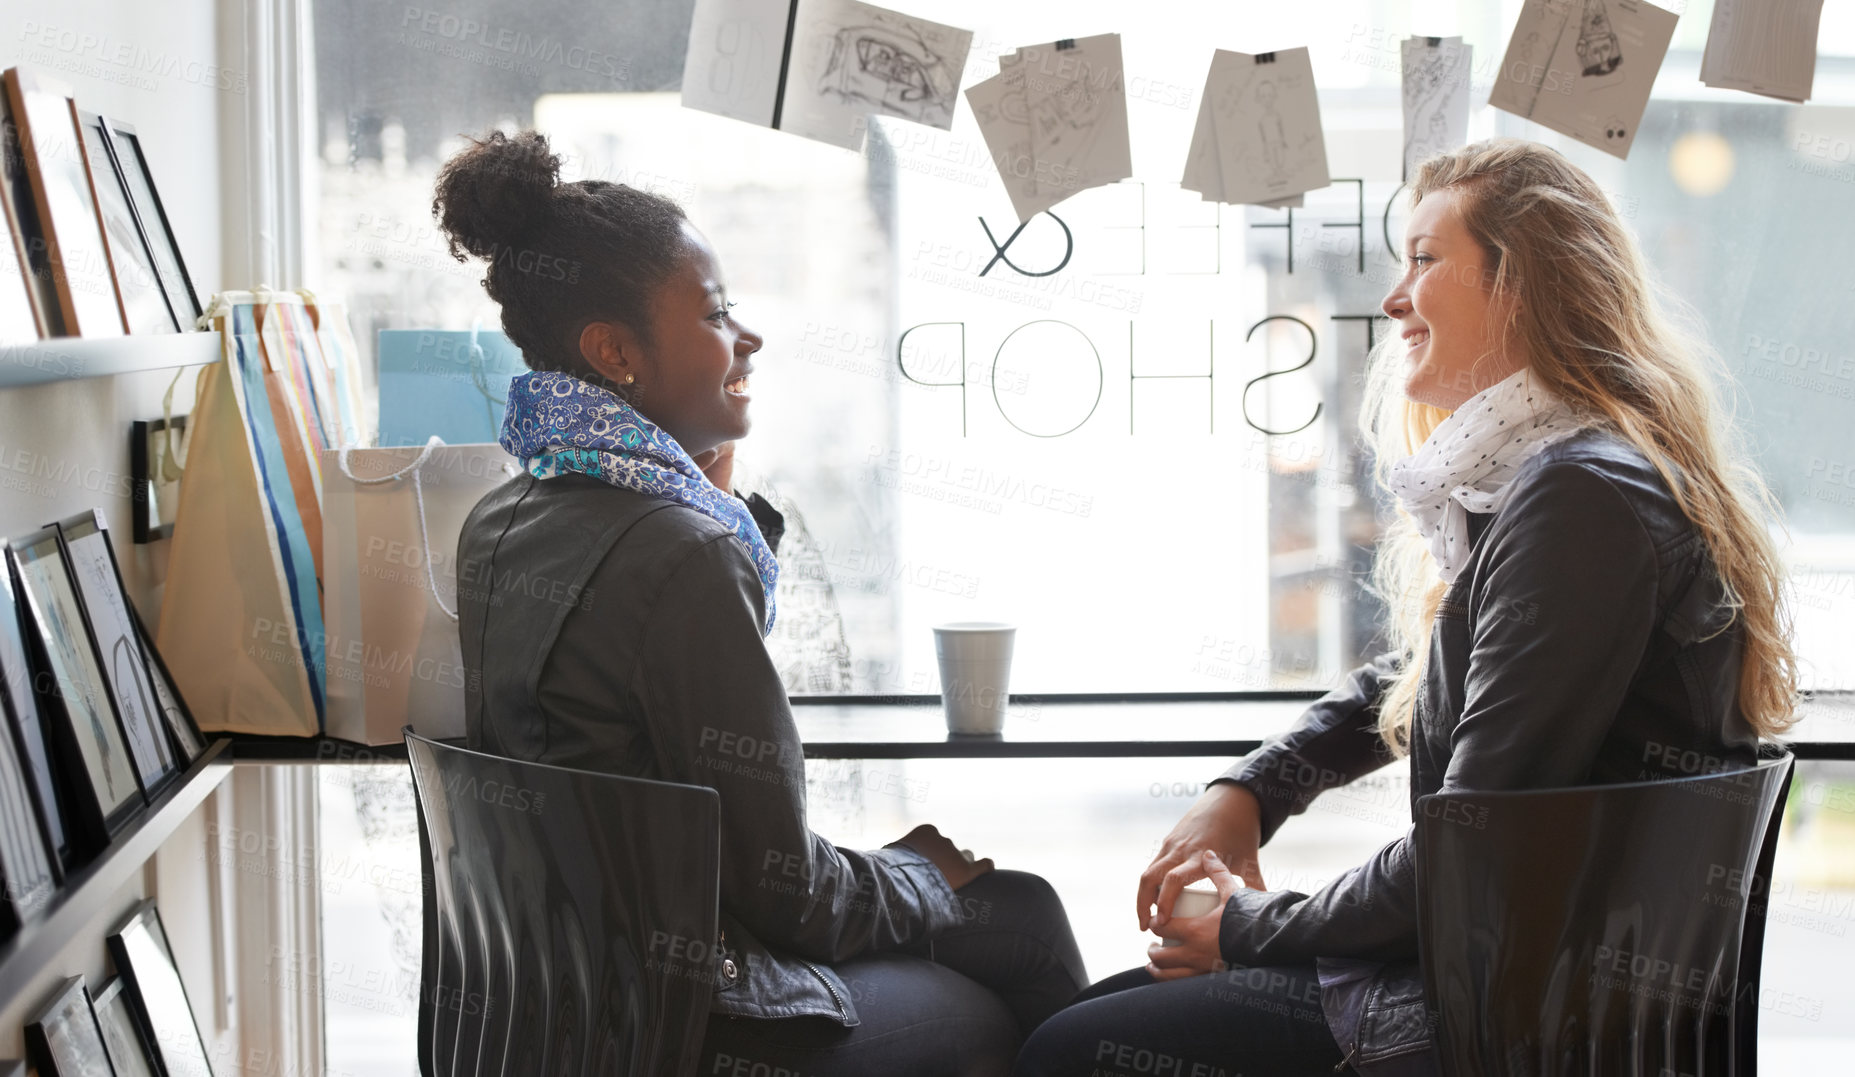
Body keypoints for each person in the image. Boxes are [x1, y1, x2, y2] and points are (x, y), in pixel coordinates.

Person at [1015, 137, 1798, 1075]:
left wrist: (1252, 923)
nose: (1392, 298)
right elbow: (1431, 676)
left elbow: (1467, 843)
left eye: (1424, 260)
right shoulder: (1584, 478)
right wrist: (1257, 787)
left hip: (1506, 1019)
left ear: (1523, 286)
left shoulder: (1580, 497)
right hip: (1531, 994)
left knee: (1072, 1045)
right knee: (1098, 1013)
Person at [436, 130, 1087, 1074]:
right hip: (693, 1023)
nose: (749, 337)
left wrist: (715, 507)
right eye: (715, 313)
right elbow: (792, 897)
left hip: (566, 1003)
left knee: (1008, 910)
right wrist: (915, 873)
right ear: (614, 351)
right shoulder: (681, 551)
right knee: (1019, 917)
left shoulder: (505, 517)